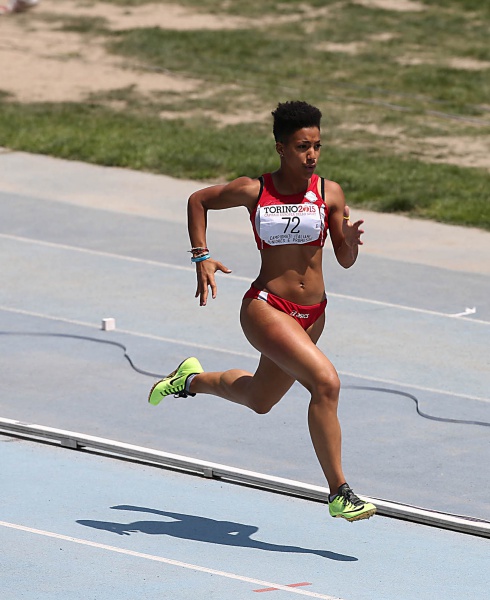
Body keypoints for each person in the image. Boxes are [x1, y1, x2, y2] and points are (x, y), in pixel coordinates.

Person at [148, 100, 376, 522]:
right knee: (326, 383)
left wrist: (349, 241)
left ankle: (189, 380)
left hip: (313, 314)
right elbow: (198, 200)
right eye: (302, 147)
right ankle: (339, 492)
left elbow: (344, 260)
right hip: (266, 308)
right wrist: (201, 256)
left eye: (317, 146)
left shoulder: (330, 192)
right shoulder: (255, 190)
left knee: (259, 399)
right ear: (281, 148)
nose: (312, 155)